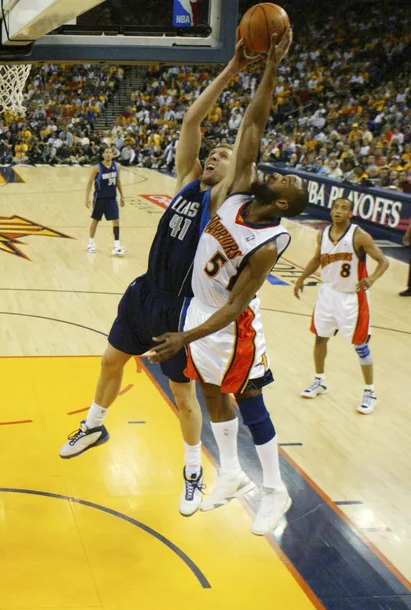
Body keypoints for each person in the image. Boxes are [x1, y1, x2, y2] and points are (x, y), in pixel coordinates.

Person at [60, 40, 258, 517]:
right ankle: (94, 424)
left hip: (180, 306)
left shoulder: (224, 201)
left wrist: (259, 77)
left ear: (235, 174)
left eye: (224, 155)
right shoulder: (186, 184)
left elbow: (249, 144)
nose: (214, 154)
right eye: (212, 152)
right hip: (145, 291)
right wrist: (232, 66)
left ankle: (193, 470)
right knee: (110, 361)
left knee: (183, 395)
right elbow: (192, 122)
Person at [147, 30, 307, 536]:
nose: (283, 175)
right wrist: (269, 66)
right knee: (214, 395)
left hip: (232, 327)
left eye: (290, 184)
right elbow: (253, 122)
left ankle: (275, 490)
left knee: (251, 399)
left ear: (283, 205)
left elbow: (238, 306)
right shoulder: (236, 195)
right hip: (200, 312)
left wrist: (185, 337)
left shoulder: (268, 244)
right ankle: (233, 475)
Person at [294, 198, 388, 415]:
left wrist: (372, 279)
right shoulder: (323, 234)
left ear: (350, 214)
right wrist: (301, 278)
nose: (338, 211)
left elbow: (384, 261)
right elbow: (317, 259)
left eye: (343, 208)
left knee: (360, 345)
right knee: (320, 337)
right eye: (335, 207)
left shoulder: (359, 236)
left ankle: (370, 392)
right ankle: (319, 381)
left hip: (352, 298)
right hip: (327, 293)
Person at [85, 146, 127, 256]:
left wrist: (122, 196)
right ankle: (90, 242)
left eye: (110, 152)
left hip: (112, 198)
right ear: (103, 155)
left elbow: (118, 181)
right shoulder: (97, 168)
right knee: (95, 220)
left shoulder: (117, 166)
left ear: (113, 154)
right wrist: (87, 197)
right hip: (100, 198)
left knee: (116, 220)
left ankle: (117, 245)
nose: (108, 154)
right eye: (106, 152)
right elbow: (89, 183)